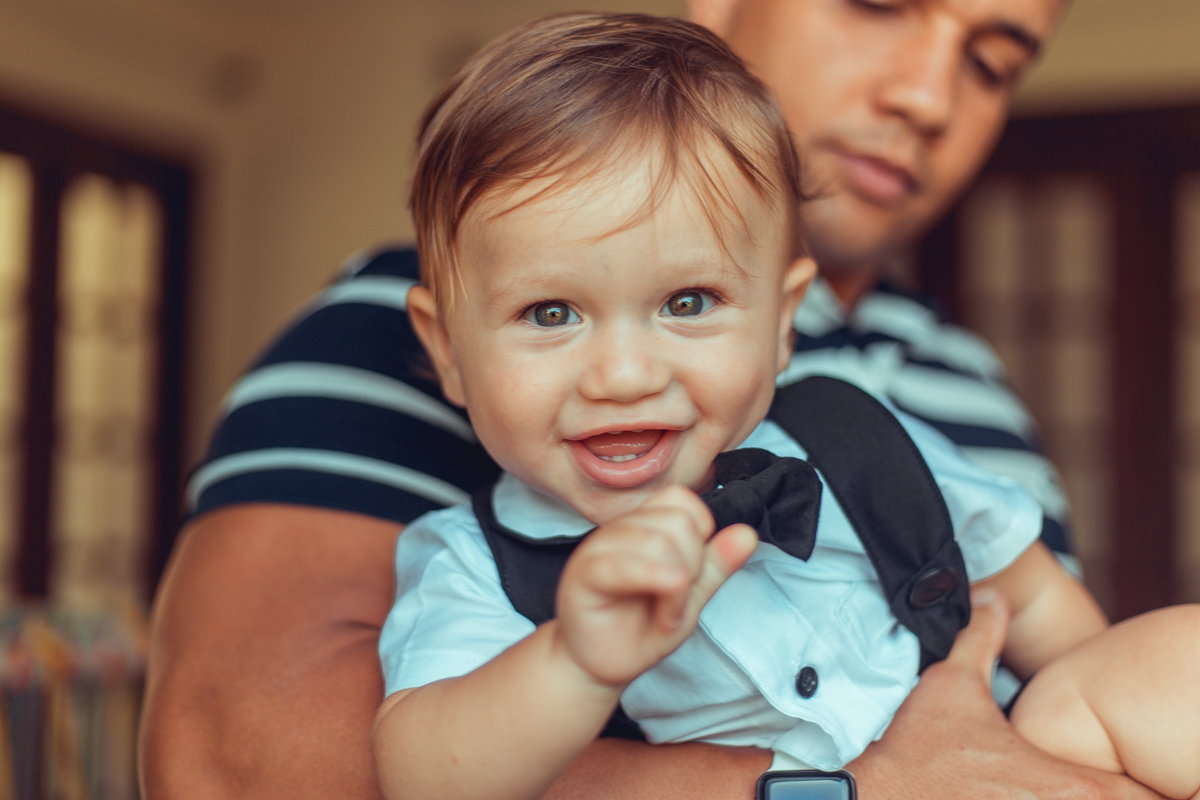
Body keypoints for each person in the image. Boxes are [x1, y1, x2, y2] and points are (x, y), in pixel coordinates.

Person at [140, 0, 1168, 798]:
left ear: (781, 320)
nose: (929, 97)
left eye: (991, 61)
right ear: (445, 347)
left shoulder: (927, 398)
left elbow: (1033, 606)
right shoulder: (446, 467)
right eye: (877, 4)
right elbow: (236, 762)